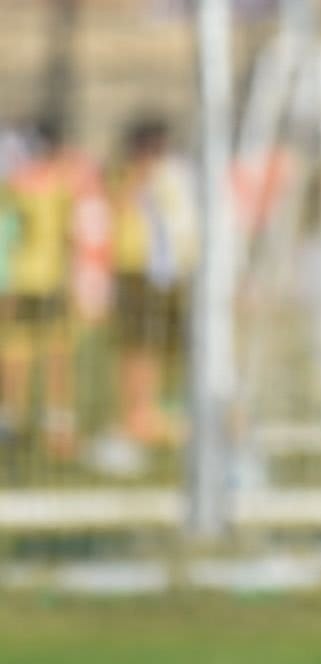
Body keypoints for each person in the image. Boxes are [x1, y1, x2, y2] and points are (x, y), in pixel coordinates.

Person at [108, 115, 197, 448]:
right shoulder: (125, 173)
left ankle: (169, 411)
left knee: (179, 347)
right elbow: (116, 207)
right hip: (138, 271)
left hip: (176, 273)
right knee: (138, 348)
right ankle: (136, 415)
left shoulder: (180, 174)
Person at [1, 118, 80, 456]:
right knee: (54, 357)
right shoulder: (61, 188)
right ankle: (55, 429)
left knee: (19, 354)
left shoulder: (14, 187)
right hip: (45, 281)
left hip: (21, 281)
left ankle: (13, 423)